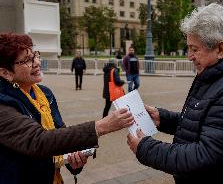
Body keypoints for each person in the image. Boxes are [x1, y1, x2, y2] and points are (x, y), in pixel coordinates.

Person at [127, 3, 223, 184]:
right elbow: (207, 124)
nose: (189, 56)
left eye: (195, 49)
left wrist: (146, 148)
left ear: (220, 49)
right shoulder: (216, 75)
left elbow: (206, 156)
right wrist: (163, 119)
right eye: (188, 48)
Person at [0, 33, 134, 184]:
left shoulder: (45, 93)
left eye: (35, 55)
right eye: (27, 61)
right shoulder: (3, 104)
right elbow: (38, 140)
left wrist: (73, 161)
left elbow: (59, 133)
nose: (37, 62)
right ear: (6, 73)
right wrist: (102, 126)